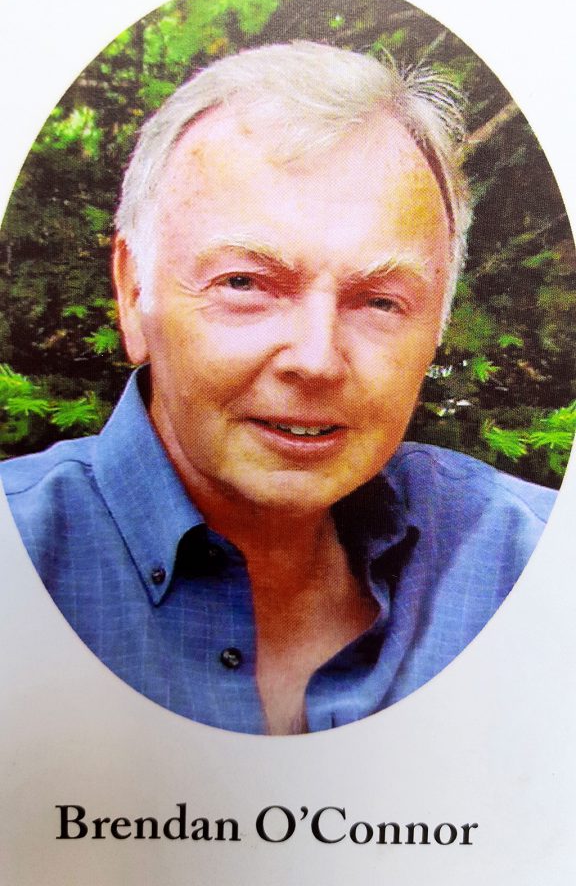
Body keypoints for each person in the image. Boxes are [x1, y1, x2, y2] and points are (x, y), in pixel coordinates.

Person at [1, 42, 556, 735]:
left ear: (438, 324)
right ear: (134, 292)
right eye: (245, 283)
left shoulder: (530, 567)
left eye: (379, 301)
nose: (316, 360)